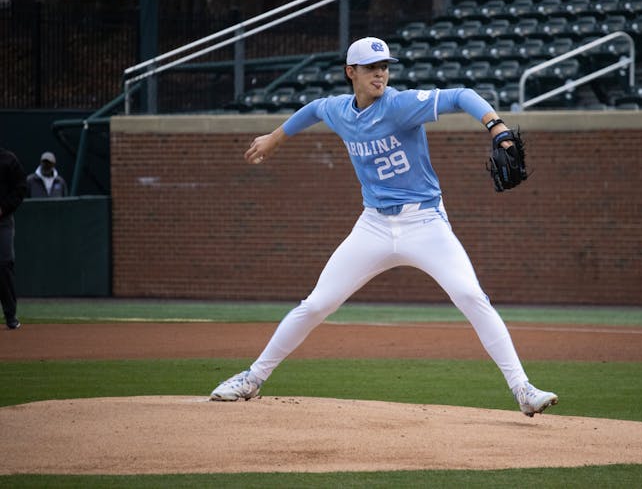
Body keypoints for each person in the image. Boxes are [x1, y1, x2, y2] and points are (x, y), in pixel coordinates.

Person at [210, 37, 558, 417]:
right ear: (351, 72)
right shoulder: (339, 110)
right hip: (373, 226)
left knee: (471, 297)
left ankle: (522, 388)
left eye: (385, 66)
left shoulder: (400, 104)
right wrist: (274, 139)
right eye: (371, 67)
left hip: (424, 222)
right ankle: (252, 378)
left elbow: (462, 95)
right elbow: (313, 110)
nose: (380, 73)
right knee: (317, 304)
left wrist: (497, 128)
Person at [0, 147, 27, 329]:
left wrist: (4, 208)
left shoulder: (8, 159)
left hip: (3, 220)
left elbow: (21, 187)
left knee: (4, 264)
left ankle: (10, 315)